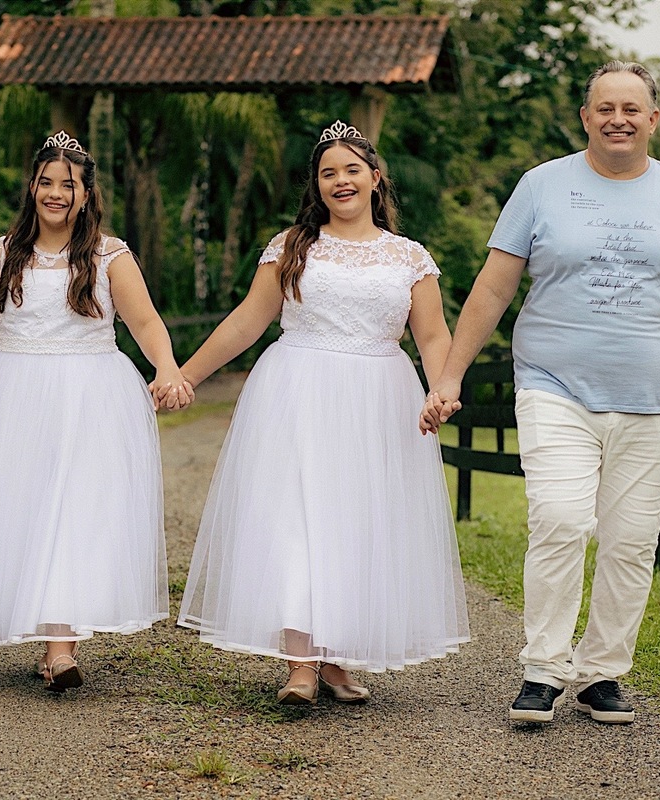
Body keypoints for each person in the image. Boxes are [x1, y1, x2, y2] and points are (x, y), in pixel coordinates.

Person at [421, 61, 660, 724]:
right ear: (586, 117)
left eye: (632, 108)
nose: (618, 119)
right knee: (561, 519)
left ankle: (602, 673)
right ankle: (544, 669)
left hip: (655, 398)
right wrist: (452, 374)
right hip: (555, 387)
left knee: (631, 542)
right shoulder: (542, 187)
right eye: (605, 107)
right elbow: (492, 288)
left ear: (653, 119)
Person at [0, 132, 191, 692]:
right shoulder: (0, 255)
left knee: (78, 509)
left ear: (87, 194)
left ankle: (60, 646)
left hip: (94, 393)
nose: (55, 193)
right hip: (15, 393)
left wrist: (166, 367)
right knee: (27, 506)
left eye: (67, 184)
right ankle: (46, 631)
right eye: (46, 182)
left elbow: (144, 322)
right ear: (32, 189)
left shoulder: (109, 255)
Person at [173, 121, 470, 706]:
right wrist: (186, 373)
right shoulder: (291, 247)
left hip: (378, 398)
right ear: (317, 185)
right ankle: (301, 664)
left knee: (357, 521)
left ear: (375, 179)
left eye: (352, 170)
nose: (341, 181)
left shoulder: (410, 258)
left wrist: (441, 389)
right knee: (295, 518)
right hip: (297, 391)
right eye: (328, 173)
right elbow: (247, 321)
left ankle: (336, 660)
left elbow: (433, 335)